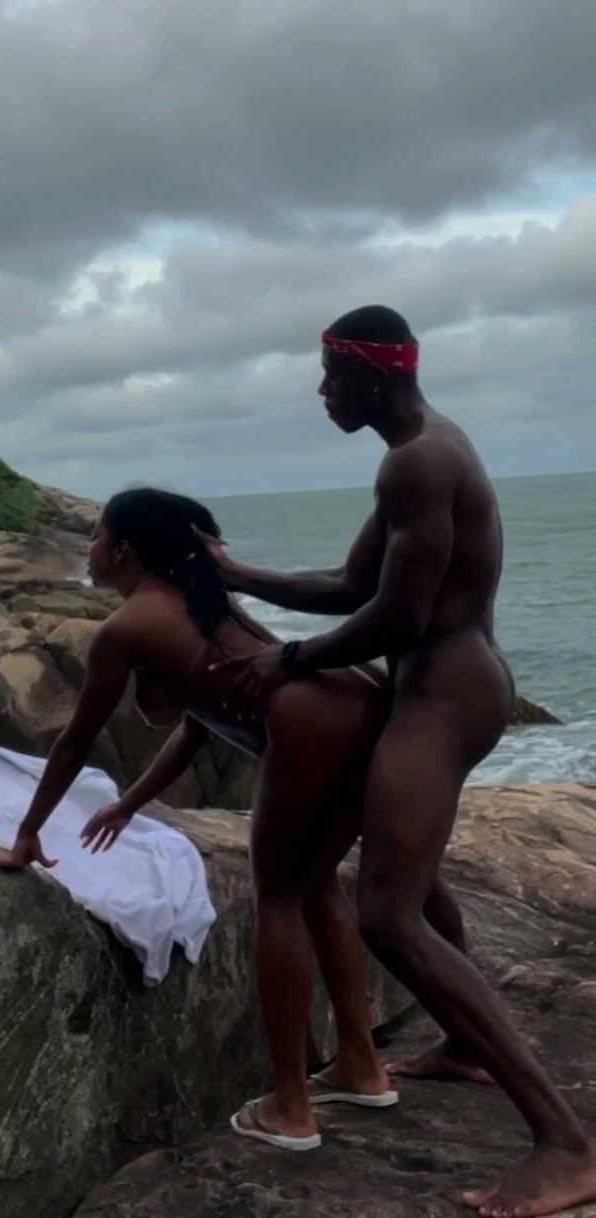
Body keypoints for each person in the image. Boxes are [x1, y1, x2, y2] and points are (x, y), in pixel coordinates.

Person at [197, 304, 596, 1217]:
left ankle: (566, 1146)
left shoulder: (418, 461)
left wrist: (291, 659)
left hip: (445, 696)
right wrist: (238, 575)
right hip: (438, 684)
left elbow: (399, 617)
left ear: (374, 376)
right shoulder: (418, 451)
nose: (322, 391)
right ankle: (465, 1046)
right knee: (410, 872)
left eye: (332, 376)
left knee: (386, 911)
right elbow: (352, 586)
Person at [0, 486, 399, 1152]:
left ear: (123, 550)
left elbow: (77, 740)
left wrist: (27, 834)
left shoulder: (127, 627)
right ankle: (361, 1067)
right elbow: (201, 725)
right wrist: (129, 803)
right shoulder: (204, 603)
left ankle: (292, 1108)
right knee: (318, 888)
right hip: (352, 705)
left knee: (278, 899)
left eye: (96, 536)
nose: (89, 548)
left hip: (305, 725)